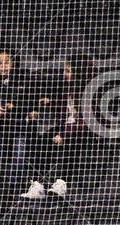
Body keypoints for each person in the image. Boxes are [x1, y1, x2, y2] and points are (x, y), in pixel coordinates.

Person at [21, 55, 91, 199]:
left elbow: (86, 122)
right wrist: (50, 102)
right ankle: (38, 185)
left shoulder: (90, 92)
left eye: (68, 71)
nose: (65, 74)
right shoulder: (69, 88)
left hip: (83, 133)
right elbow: (63, 107)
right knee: (41, 139)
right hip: (67, 127)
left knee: (68, 143)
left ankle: (61, 183)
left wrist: (64, 134)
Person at [0, 49, 31, 192]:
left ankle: (13, 187)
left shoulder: (23, 80)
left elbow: (29, 101)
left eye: (7, 63)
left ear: (14, 64)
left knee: (19, 155)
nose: (3, 66)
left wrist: (14, 106)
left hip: (17, 126)